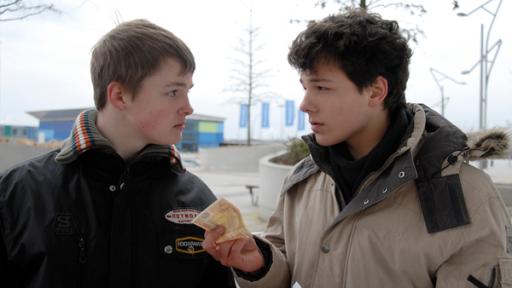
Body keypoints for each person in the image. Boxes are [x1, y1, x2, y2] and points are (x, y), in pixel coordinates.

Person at [202, 9, 512, 287]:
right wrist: (258, 264)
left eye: (321, 87)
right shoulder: (302, 181)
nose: (305, 105)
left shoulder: (462, 193)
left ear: (376, 91)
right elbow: (286, 272)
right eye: (305, 87)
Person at [0, 19, 236, 288]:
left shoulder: (198, 200)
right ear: (120, 96)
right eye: (173, 92)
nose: (188, 108)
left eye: (187, 92)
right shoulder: (17, 194)